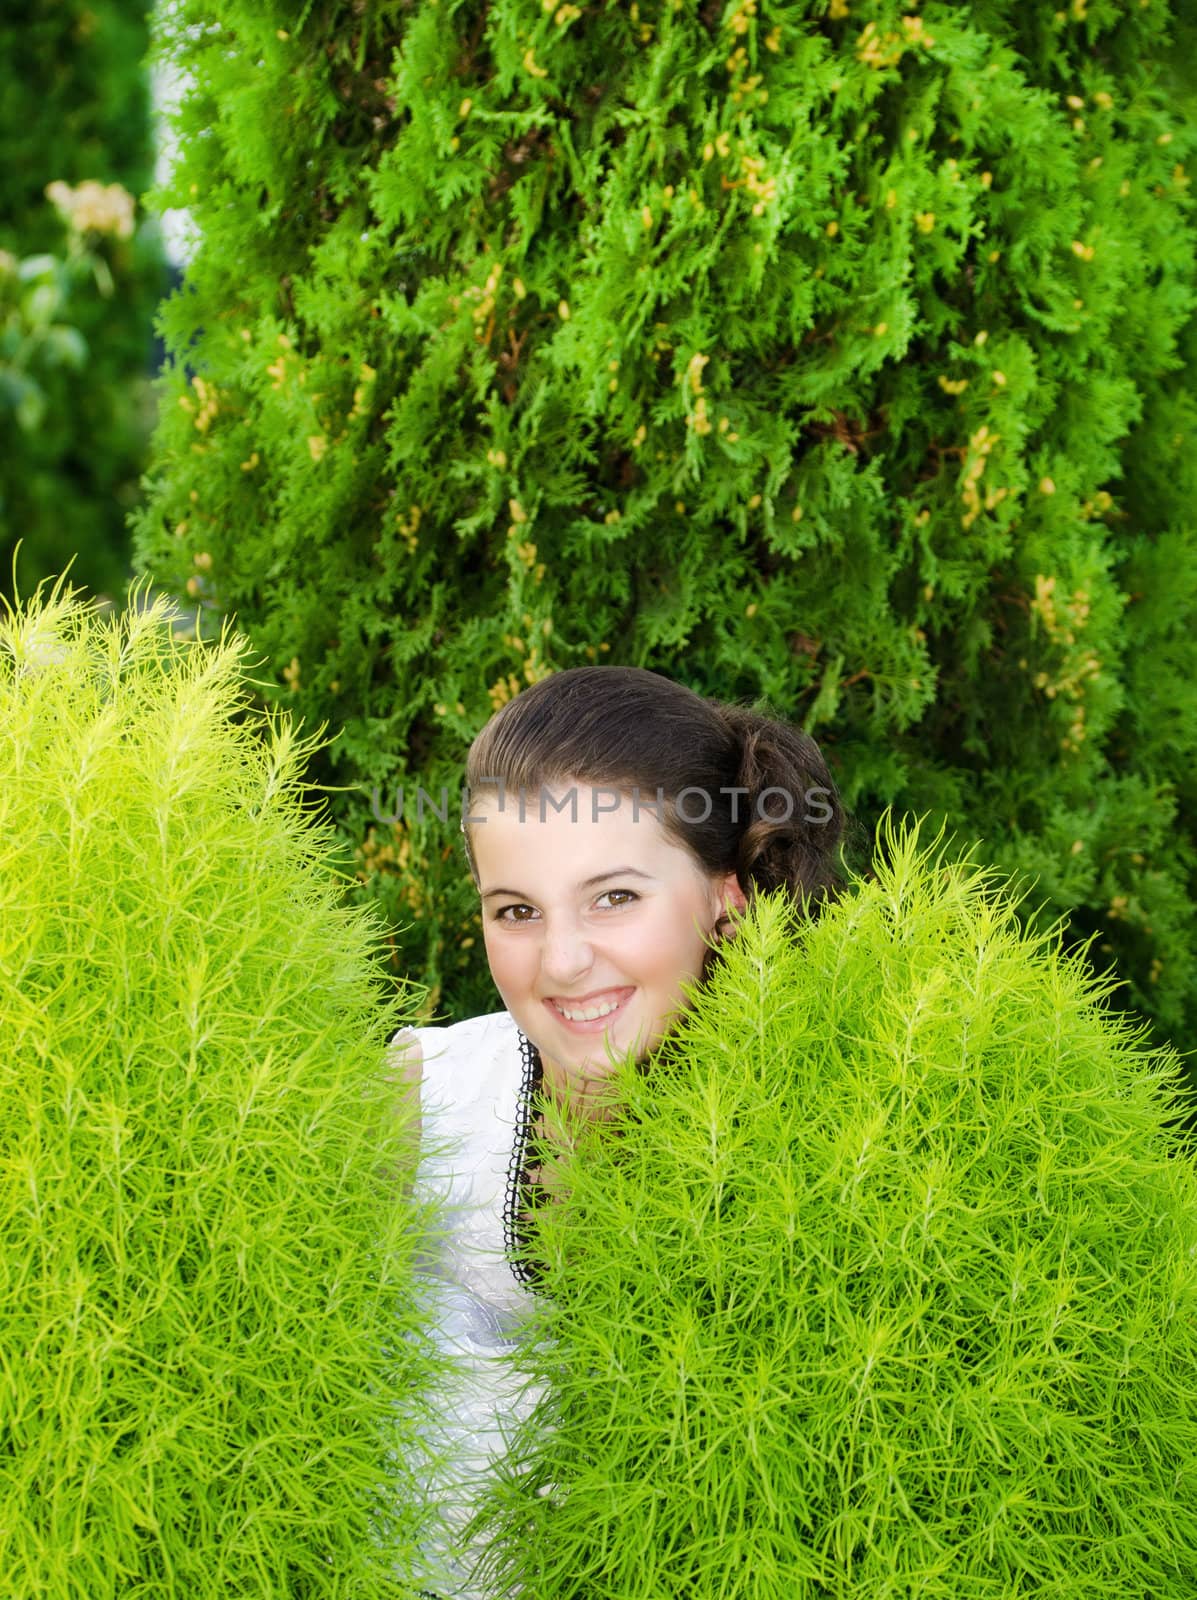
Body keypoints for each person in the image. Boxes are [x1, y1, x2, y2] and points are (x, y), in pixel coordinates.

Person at [389, 665, 847, 1599]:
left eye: (613, 898)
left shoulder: (826, 1145)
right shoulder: (416, 1099)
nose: (560, 961)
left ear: (727, 898)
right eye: (516, 911)